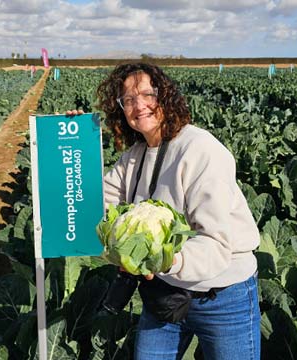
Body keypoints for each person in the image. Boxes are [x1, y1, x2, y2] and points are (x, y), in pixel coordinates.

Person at [69, 62, 261, 359]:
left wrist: (161, 260)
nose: (139, 105)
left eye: (147, 94)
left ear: (165, 97)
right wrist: (72, 144)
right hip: (164, 295)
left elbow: (217, 244)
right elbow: (92, 204)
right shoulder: (135, 157)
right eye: (128, 100)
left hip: (223, 296)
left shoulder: (201, 150)